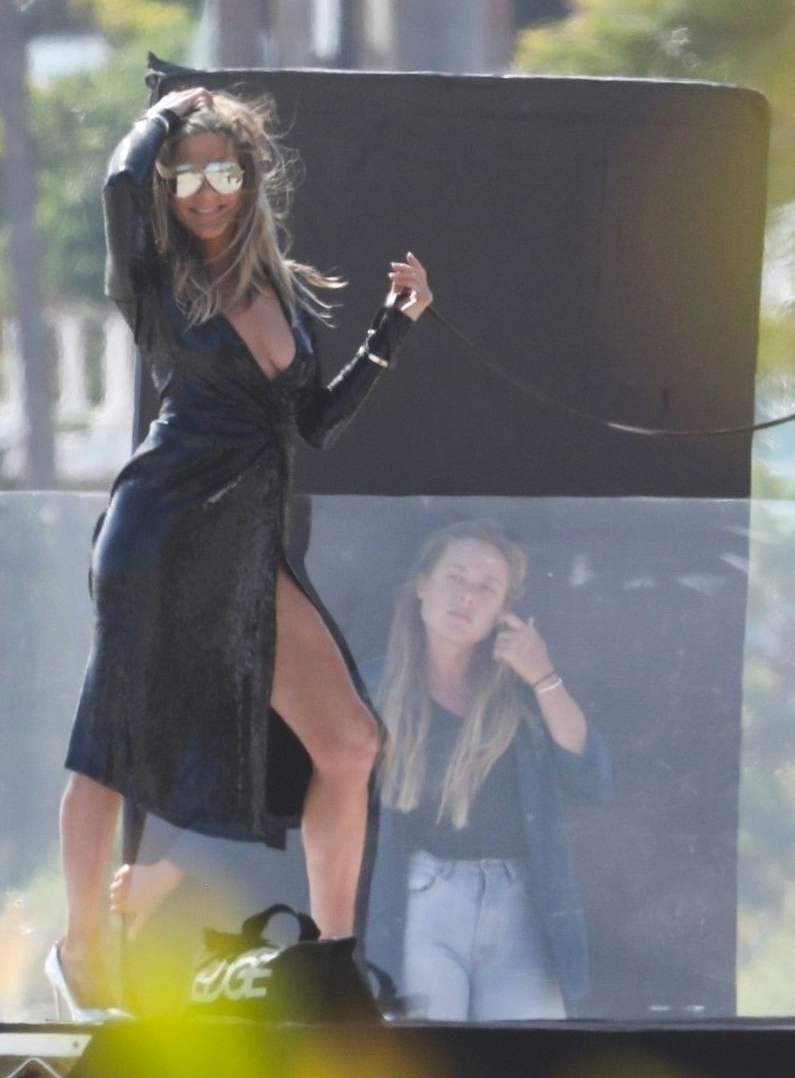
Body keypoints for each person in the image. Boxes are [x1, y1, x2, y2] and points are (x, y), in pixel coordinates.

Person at [50, 85, 433, 1019]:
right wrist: (170, 114)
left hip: (247, 543)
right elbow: (118, 183)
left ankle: (332, 962)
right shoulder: (153, 282)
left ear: (250, 176)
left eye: (222, 170)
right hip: (161, 527)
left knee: (351, 742)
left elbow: (314, 423)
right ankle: (80, 949)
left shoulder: (280, 288)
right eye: (185, 176)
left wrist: (393, 326)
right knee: (112, 744)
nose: (205, 192)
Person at [362, 521, 612, 1021]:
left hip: (520, 904)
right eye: (455, 576)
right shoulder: (373, 685)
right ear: (422, 585)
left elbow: (591, 782)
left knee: (527, 1059)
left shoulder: (521, 691)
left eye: (487, 588)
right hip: (420, 900)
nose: (466, 596)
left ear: (503, 612)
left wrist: (543, 675)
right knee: (430, 1060)